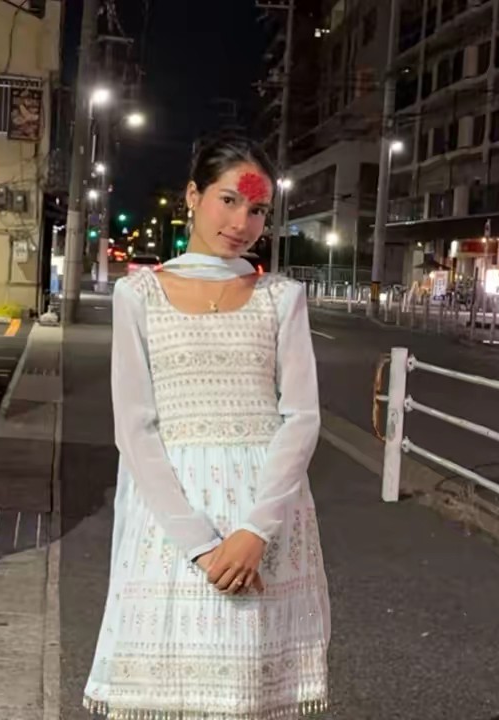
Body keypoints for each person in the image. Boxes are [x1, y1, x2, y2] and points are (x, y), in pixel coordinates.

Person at [84, 134, 331, 720]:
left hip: (264, 516)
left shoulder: (281, 297)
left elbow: (301, 417)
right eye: (229, 200)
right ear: (192, 196)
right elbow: (134, 428)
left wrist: (256, 531)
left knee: (250, 693)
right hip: (172, 520)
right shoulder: (138, 294)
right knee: (168, 691)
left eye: (258, 209)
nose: (242, 223)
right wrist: (200, 544)